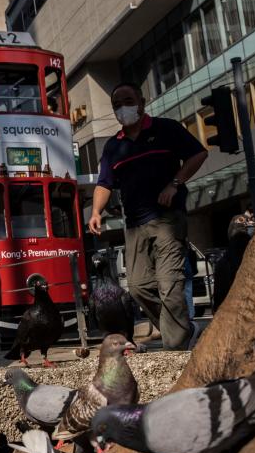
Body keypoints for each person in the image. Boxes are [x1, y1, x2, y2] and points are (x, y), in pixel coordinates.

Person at [88, 83, 208, 350]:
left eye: (127, 101)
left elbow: (199, 153)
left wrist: (174, 184)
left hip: (167, 220)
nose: (123, 108)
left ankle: (176, 349)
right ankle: (185, 329)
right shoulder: (112, 147)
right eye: (116, 105)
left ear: (141, 102)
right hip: (134, 225)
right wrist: (96, 211)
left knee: (170, 286)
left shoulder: (166, 128)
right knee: (139, 287)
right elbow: (103, 184)